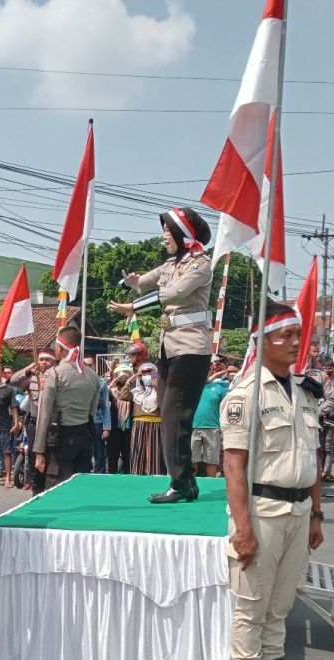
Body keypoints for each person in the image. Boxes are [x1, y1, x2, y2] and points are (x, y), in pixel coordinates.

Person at [220, 301, 324, 660]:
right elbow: (233, 467)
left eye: (298, 335)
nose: (296, 342)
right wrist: (243, 528)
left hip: (299, 511)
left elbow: (314, 457)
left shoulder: (305, 392)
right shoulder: (245, 395)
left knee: (280, 606)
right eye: (285, 335)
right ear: (261, 342)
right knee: (252, 606)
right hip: (262, 512)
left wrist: (317, 514)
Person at [109, 207, 214, 503]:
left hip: (192, 347)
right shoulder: (171, 263)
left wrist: (134, 307)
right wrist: (130, 282)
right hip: (170, 347)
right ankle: (186, 481)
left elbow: (174, 293)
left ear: (183, 233)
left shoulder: (201, 263)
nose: (164, 237)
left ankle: (180, 483)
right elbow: (145, 281)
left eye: (168, 232)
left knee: (175, 416)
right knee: (170, 416)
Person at [33, 326, 101, 492]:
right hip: (84, 436)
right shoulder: (93, 376)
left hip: (60, 439)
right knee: (80, 488)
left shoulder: (54, 374)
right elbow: (91, 412)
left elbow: (44, 415)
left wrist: (39, 451)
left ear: (59, 348)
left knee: (57, 488)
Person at [10, 349, 56, 493]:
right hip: (34, 424)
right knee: (33, 458)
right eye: (41, 359)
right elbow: (13, 380)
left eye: (47, 359)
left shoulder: (57, 378)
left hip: (51, 425)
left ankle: (50, 489)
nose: (44, 362)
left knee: (51, 459)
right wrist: (28, 369)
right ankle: (37, 491)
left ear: (54, 362)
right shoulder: (32, 379)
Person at [117, 361, 166, 476]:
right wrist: (130, 380)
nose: (147, 376)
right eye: (144, 374)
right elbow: (123, 395)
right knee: (137, 451)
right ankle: (136, 475)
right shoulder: (137, 391)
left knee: (153, 453)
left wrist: (157, 388)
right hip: (138, 424)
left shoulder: (161, 391)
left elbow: (163, 406)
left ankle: (152, 476)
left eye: (150, 374)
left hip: (155, 424)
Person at [192, 359, 230, 478]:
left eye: (206, 369)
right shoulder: (190, 387)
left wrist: (223, 428)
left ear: (210, 371)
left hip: (213, 428)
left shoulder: (218, 388)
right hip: (193, 427)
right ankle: (190, 484)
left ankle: (211, 483)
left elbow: (224, 409)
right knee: (192, 460)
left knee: (212, 460)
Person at [83, 355, 112, 474]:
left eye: (90, 364)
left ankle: (99, 477)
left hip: (97, 422)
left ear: (94, 366)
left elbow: (105, 406)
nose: (88, 367)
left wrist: (107, 427)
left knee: (99, 454)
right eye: (85, 364)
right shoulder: (77, 381)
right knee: (84, 453)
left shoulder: (101, 383)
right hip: (81, 422)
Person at [106, 363, 134, 474]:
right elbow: (102, 394)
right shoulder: (111, 392)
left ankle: (128, 477)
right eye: (120, 375)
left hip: (128, 429)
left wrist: (128, 383)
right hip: (114, 428)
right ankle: (111, 476)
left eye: (126, 375)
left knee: (128, 456)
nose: (123, 378)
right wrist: (112, 383)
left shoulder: (132, 391)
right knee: (112, 456)